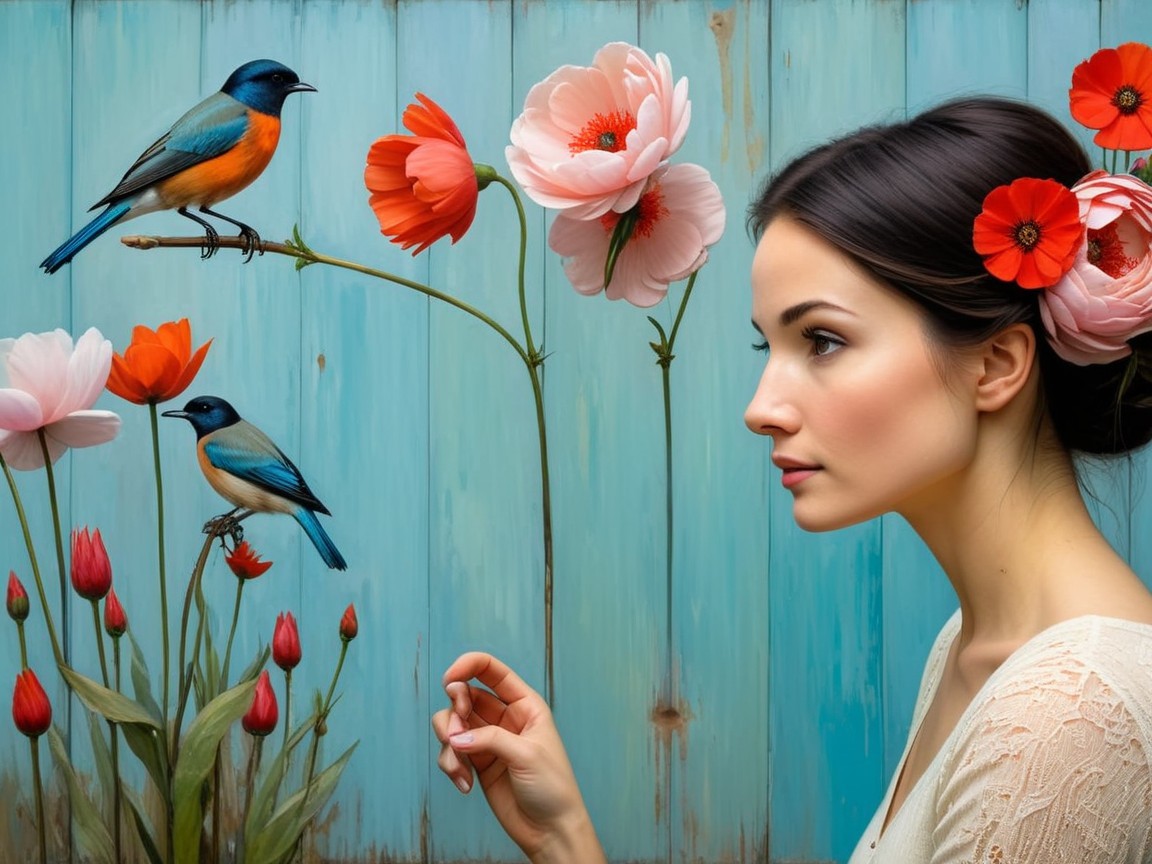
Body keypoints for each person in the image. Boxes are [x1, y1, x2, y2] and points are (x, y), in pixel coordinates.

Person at [431, 97, 1152, 862]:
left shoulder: (1066, 711)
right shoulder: (976, 648)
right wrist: (565, 838)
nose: (761, 409)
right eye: (767, 348)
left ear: (997, 364)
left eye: (823, 340)